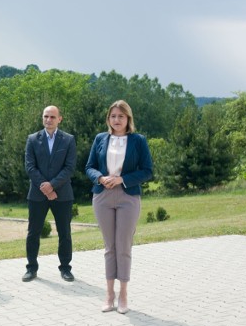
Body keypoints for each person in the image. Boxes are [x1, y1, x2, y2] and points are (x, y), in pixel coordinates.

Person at [85, 100, 153, 314]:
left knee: (123, 246)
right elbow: (89, 167)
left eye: (121, 116)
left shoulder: (138, 141)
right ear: (109, 118)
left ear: (128, 119)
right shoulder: (100, 139)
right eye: (113, 116)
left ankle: (123, 294)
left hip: (128, 196)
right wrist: (100, 177)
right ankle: (109, 294)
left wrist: (122, 179)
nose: (117, 120)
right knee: (109, 247)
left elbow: (147, 170)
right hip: (102, 196)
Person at [23, 105, 77, 283]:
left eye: (52, 117)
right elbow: (30, 167)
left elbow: (69, 167)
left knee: (65, 233)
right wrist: (45, 188)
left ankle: (65, 268)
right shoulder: (32, 139)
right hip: (37, 194)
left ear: (60, 119)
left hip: (62, 194)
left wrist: (52, 186)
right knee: (33, 233)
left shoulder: (68, 140)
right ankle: (31, 268)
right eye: (46, 116)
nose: (48, 120)